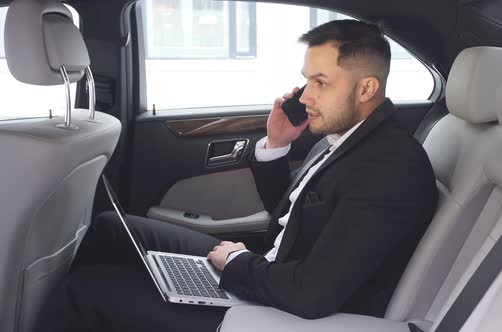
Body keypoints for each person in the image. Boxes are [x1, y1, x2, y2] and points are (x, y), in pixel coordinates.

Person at [35, 19, 437, 332]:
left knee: (85, 292)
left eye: (320, 82)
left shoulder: (390, 168)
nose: (306, 96)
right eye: (306, 80)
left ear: (366, 88)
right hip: (272, 273)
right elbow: (291, 215)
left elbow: (312, 295)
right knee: (111, 229)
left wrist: (237, 264)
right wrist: (277, 142)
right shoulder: (347, 139)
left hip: (286, 313)